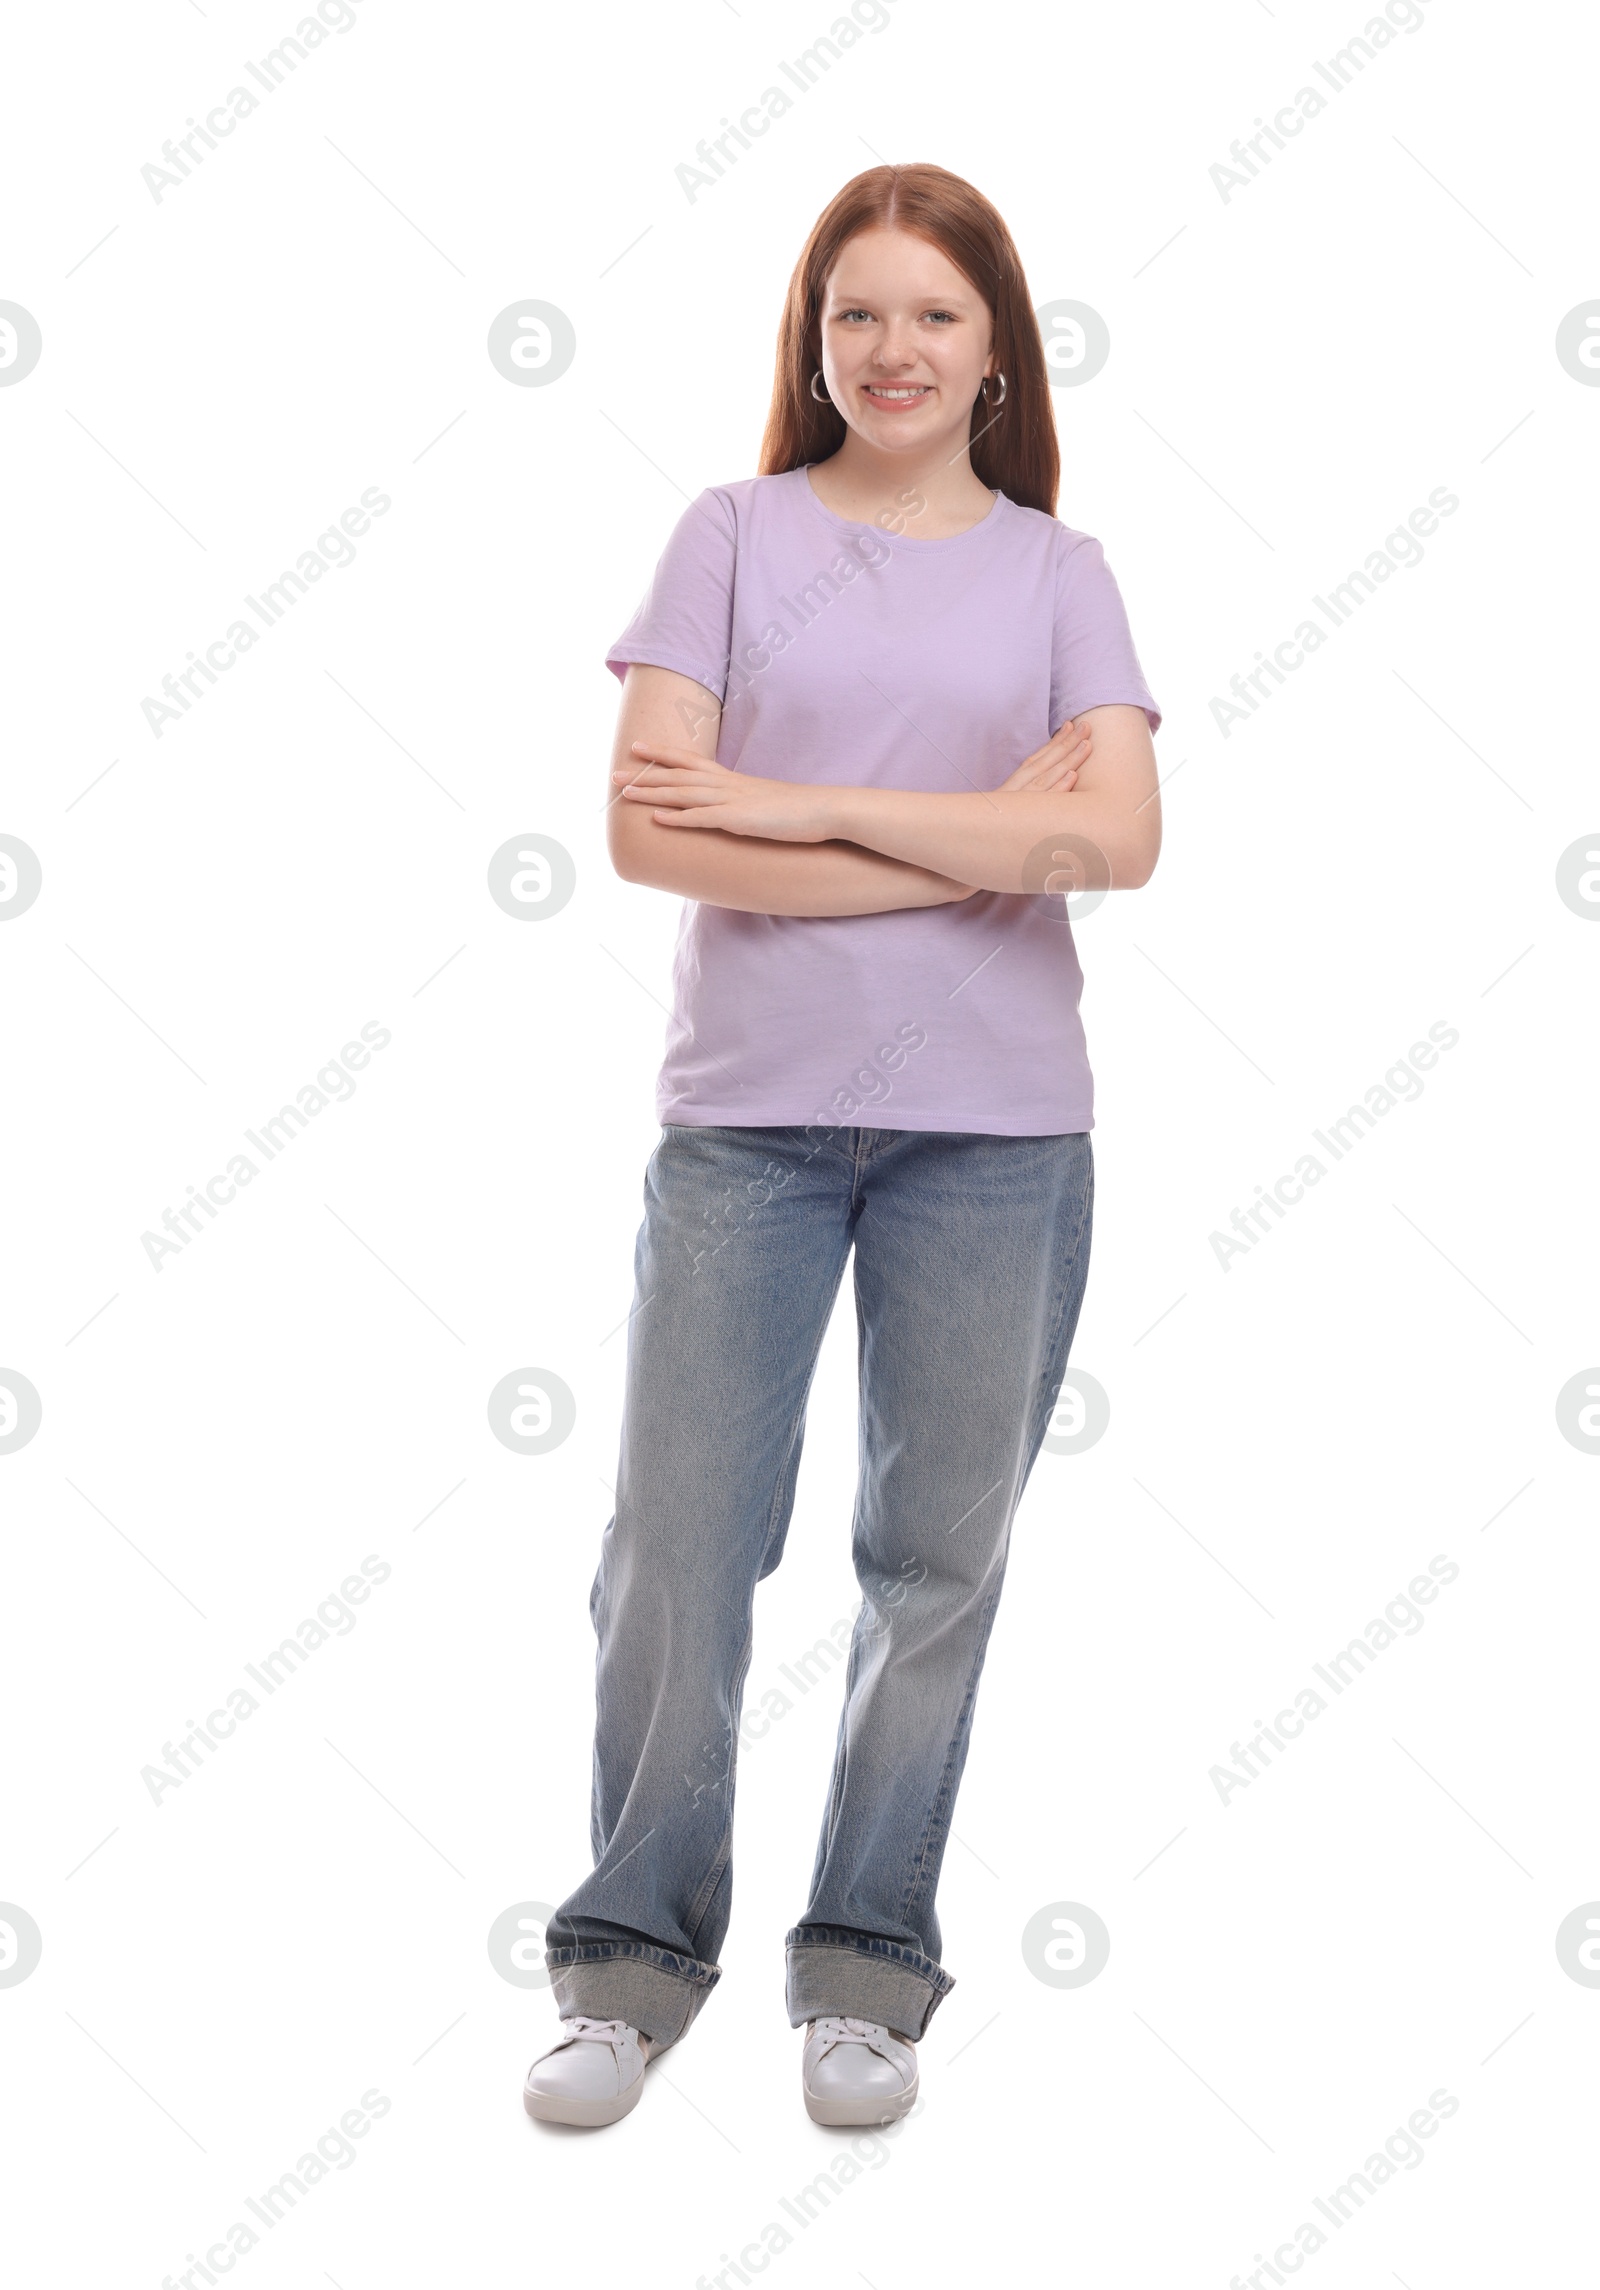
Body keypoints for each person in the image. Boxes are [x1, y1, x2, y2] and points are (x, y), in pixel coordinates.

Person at [524, 161, 1162, 2130]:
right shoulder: (727, 535)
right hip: (751, 1129)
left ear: (992, 353)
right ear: (813, 342)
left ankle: (865, 1965)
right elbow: (645, 832)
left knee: (931, 1558)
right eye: (857, 313)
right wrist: (979, 829)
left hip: (997, 1137)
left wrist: (778, 806)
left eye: (934, 316)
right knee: (678, 1547)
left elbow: (1114, 847)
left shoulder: (1061, 574)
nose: (892, 349)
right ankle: (632, 1959)